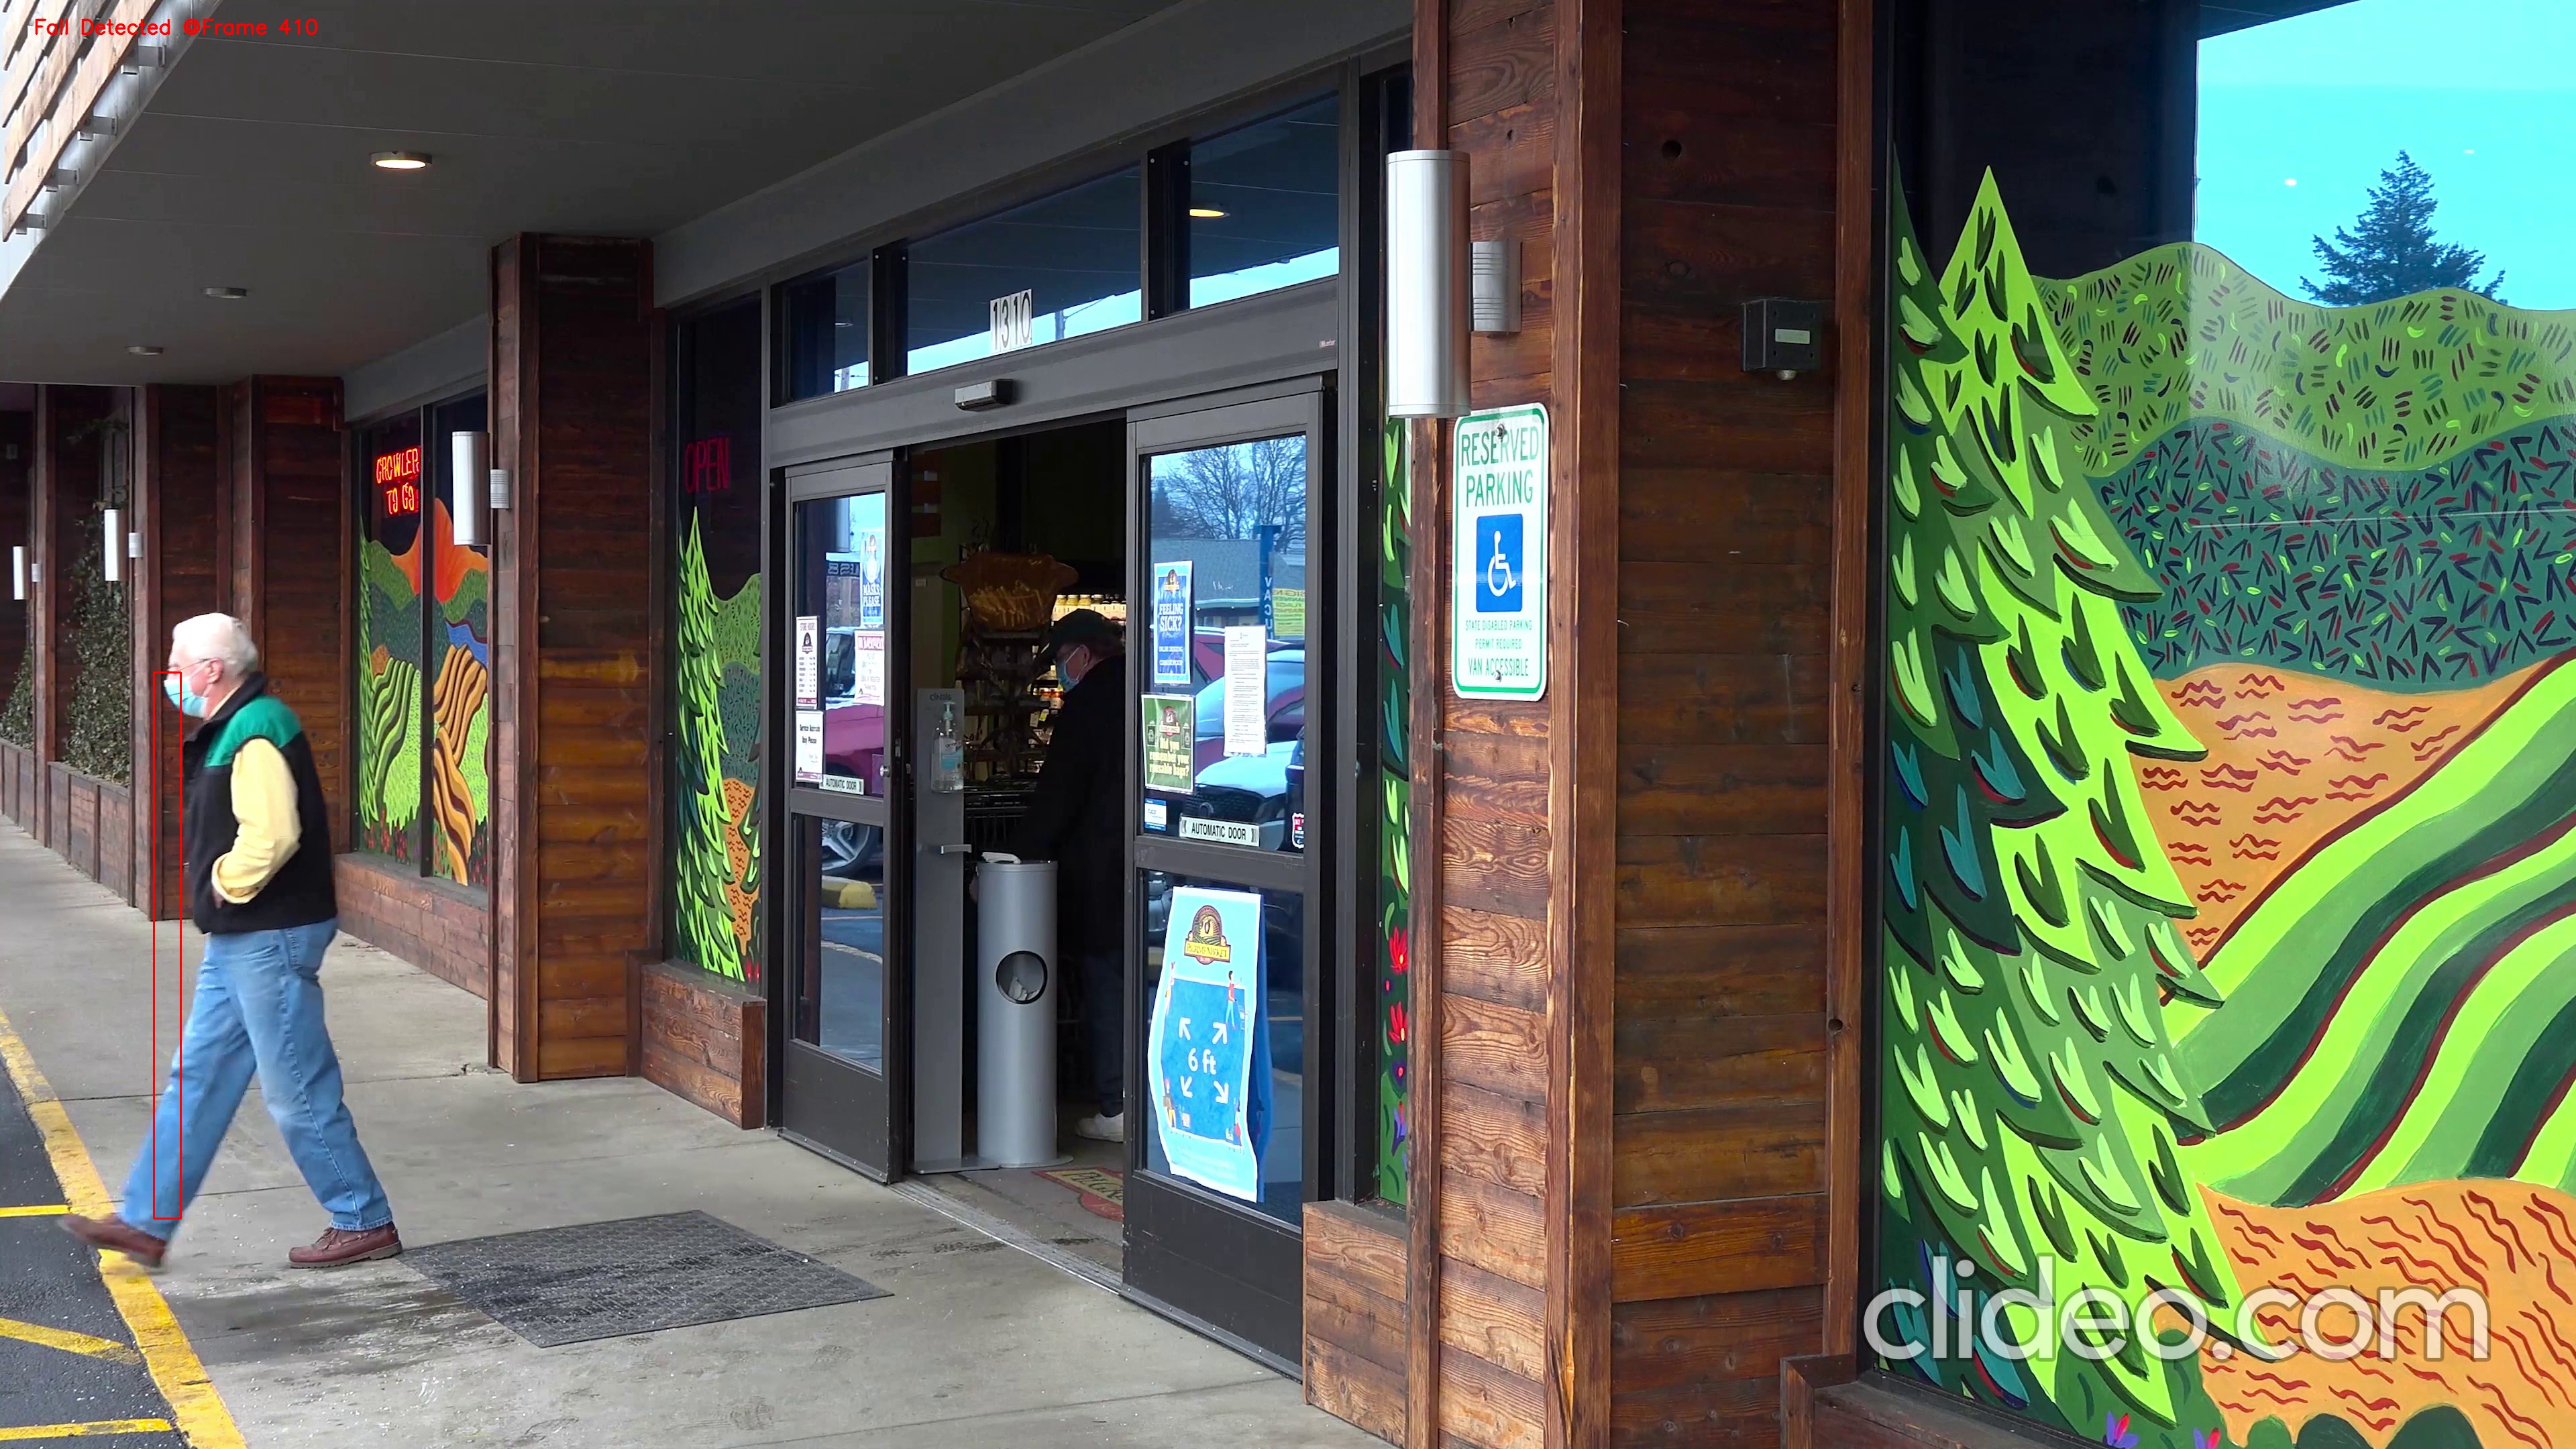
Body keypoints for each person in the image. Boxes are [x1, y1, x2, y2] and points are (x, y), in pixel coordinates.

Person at [65, 614, 400, 1271]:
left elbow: (273, 835)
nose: (172, 677)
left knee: (295, 1085)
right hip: (244, 938)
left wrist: (225, 881)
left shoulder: (255, 727)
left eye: (177, 664)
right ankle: (145, 1223)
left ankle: (363, 1218)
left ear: (210, 671)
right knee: (198, 1078)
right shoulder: (238, 724)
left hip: (268, 934)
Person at [1008, 608, 1128, 1142]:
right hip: (1148, 865)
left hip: (1100, 872)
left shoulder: (1087, 707)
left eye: (1061, 659)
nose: (1061, 670)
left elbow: (1058, 796)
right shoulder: (1146, 689)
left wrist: (1014, 858)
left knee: (1106, 983)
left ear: (1083, 653)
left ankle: (1117, 1104)